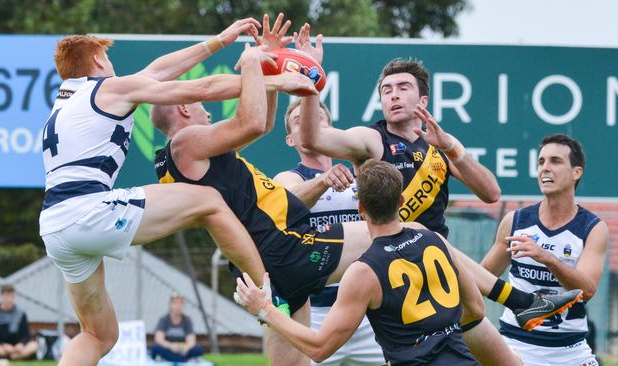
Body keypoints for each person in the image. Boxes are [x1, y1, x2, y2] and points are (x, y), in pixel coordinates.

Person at [292, 23, 580, 364]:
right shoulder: (372, 139)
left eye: (403, 87)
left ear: (423, 99)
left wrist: (453, 149)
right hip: (394, 269)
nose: (394, 95)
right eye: (387, 90)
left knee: (495, 346)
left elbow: (490, 192)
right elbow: (313, 139)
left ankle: (522, 304)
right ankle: (519, 301)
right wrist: (311, 79)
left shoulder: (438, 144)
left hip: (439, 273)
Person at [38, 19, 315, 366]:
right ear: (96, 59)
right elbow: (200, 88)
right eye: (107, 59)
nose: (112, 65)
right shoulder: (108, 88)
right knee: (210, 201)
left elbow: (157, 70)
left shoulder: (66, 100)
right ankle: (268, 297)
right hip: (88, 210)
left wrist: (219, 41)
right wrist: (271, 79)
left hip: (54, 225)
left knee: (97, 335)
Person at [235, 159, 484, 365]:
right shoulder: (434, 240)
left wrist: (265, 309)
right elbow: (476, 309)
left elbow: (319, 349)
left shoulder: (363, 271)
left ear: (361, 208)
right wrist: (438, 335)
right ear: (402, 202)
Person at [273, 97, 385, 366]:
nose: (309, 124)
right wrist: (323, 180)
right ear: (290, 140)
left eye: (317, 119)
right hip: (318, 313)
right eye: (298, 122)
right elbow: (285, 202)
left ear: (330, 130)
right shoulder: (289, 178)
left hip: (370, 314)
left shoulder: (362, 174)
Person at [480, 134, 607, 365]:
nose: (545, 168)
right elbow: (482, 277)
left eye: (555, 161)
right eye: (541, 162)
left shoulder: (593, 228)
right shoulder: (515, 221)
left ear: (576, 172)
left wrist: (548, 258)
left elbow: (587, 290)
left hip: (570, 349)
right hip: (516, 345)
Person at [150, 294, 204, 363]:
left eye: (180, 303)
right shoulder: (164, 319)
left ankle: (174, 359)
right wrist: (171, 346)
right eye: (175, 303)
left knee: (198, 350)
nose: (178, 306)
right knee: (156, 348)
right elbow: (159, 339)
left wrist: (186, 347)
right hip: (168, 348)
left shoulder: (187, 320)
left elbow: (191, 341)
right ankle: (182, 360)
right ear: (171, 305)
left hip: (182, 350)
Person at [0, 285, 38, 364]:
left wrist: (21, 344)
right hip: (1, 346)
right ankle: (15, 357)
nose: (9, 300)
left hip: (17, 348)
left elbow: (25, 334)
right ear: (1, 296)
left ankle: (8, 357)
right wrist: (3, 345)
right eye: (6, 297)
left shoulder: (21, 313)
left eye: (11, 297)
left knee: (34, 345)